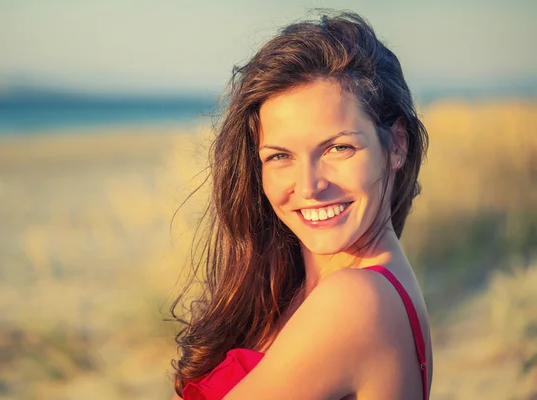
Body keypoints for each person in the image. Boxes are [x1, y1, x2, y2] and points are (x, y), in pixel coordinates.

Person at [169, 10, 432, 400]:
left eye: (338, 148)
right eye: (279, 156)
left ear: (396, 144)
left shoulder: (356, 301)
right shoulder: (300, 284)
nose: (309, 187)